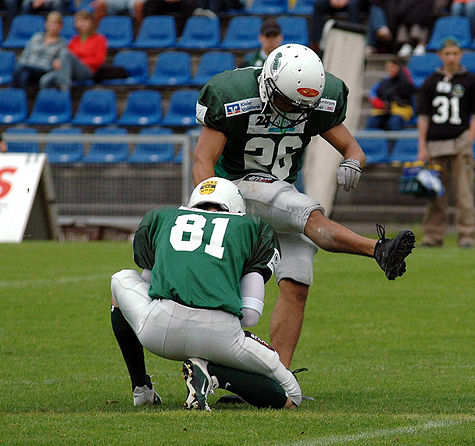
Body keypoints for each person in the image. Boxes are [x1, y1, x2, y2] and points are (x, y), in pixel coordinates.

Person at [193, 43, 415, 368]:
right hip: (235, 190)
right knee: (302, 209)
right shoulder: (233, 95)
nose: (293, 111)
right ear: (269, 83)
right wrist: (211, 205)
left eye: (302, 105)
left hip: (281, 190)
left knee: (298, 278)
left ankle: (278, 379)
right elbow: (203, 159)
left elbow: (353, 148)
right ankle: (377, 249)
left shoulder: (313, 100)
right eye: (286, 101)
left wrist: (352, 162)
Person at [110, 177, 302, 410]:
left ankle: (141, 389)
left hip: (160, 333)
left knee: (120, 280)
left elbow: (149, 287)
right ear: (235, 207)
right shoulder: (252, 227)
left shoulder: (162, 218)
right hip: (221, 334)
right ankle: (212, 371)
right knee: (292, 395)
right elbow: (250, 315)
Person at [416, 37, 475, 248]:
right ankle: (433, 235)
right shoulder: (431, 82)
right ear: (440, 56)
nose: (452, 58)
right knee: (436, 194)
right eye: (448, 54)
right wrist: (422, 146)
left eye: (455, 53)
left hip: (459, 142)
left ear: (461, 55)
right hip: (435, 144)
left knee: (464, 193)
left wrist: (469, 139)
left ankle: (466, 235)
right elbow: (423, 116)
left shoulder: (471, 81)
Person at [39, 10, 107, 92]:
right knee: (45, 80)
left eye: (84, 20)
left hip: (87, 70)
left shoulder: (99, 39)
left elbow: (99, 60)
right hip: (70, 69)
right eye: (78, 21)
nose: (81, 24)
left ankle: (65, 90)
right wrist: (59, 62)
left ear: (91, 22)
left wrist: (77, 61)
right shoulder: (74, 40)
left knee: (65, 54)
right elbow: (67, 58)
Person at [11, 10, 65, 88]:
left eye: (56, 23)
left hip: (44, 69)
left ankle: (13, 92)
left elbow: (58, 63)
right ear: (46, 24)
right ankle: (20, 97)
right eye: (51, 23)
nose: (52, 26)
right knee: (24, 76)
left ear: (61, 26)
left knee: (19, 67)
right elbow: (25, 53)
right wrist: (23, 63)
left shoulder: (62, 43)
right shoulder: (36, 37)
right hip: (29, 66)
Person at [366, 55, 416, 130]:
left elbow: (407, 90)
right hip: (384, 111)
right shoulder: (384, 82)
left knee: (394, 121)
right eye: (388, 67)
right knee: (372, 121)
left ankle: (394, 142)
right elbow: (375, 93)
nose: (389, 69)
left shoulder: (405, 81)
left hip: (401, 111)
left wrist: (403, 72)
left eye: (392, 66)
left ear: (399, 68)